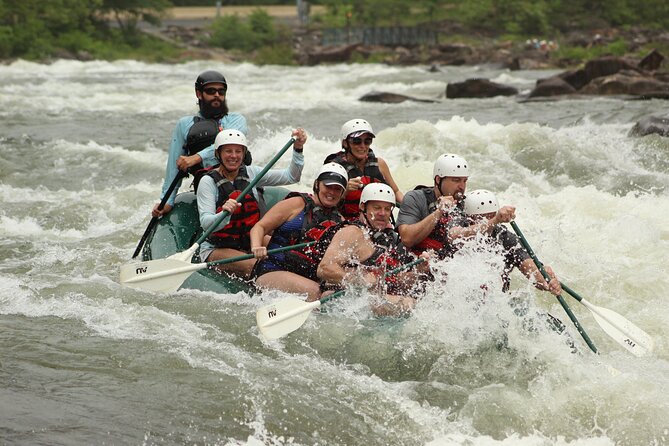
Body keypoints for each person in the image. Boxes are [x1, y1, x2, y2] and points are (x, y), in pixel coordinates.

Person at [196, 128, 307, 279]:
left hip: (249, 240)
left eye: (238, 151)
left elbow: (291, 176)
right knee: (257, 265)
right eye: (228, 151)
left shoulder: (251, 173)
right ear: (218, 154)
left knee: (291, 256)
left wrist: (298, 149)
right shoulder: (208, 182)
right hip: (216, 247)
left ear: (244, 154)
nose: (233, 156)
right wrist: (224, 214)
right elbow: (205, 223)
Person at [317, 183, 429, 317]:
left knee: (422, 300)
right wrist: (359, 280)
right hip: (342, 301)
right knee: (408, 304)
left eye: (387, 209)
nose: (382, 213)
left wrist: (419, 270)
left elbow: (397, 280)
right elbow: (324, 268)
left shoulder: (389, 239)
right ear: (363, 207)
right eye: (377, 208)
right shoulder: (352, 232)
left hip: (374, 302)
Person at [152, 70, 248, 218]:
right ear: (199, 93)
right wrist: (167, 201)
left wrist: (197, 157)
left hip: (237, 185)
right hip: (207, 187)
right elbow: (174, 166)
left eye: (221, 91)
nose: (217, 95)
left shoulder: (237, 120)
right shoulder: (184, 125)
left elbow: (226, 145)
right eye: (211, 91)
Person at [249, 163, 348, 301]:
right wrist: (256, 246)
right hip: (272, 270)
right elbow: (259, 227)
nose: (332, 192)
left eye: (337, 189)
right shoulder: (296, 204)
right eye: (328, 186)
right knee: (313, 291)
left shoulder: (340, 222)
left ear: (342, 193)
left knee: (332, 295)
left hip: (308, 278)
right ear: (317, 184)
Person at [463, 189, 561, 296]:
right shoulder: (459, 232)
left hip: (496, 303)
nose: (489, 221)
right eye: (483, 217)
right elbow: (456, 234)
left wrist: (546, 281)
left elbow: (529, 266)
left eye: (492, 216)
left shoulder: (505, 237)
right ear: (469, 218)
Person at [324, 118, 404, 220]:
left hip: (377, 221)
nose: (362, 146)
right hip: (345, 221)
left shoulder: (380, 164)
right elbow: (324, 201)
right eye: (356, 141)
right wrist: (345, 191)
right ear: (345, 143)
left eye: (367, 141)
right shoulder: (335, 168)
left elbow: (396, 192)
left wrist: (412, 206)